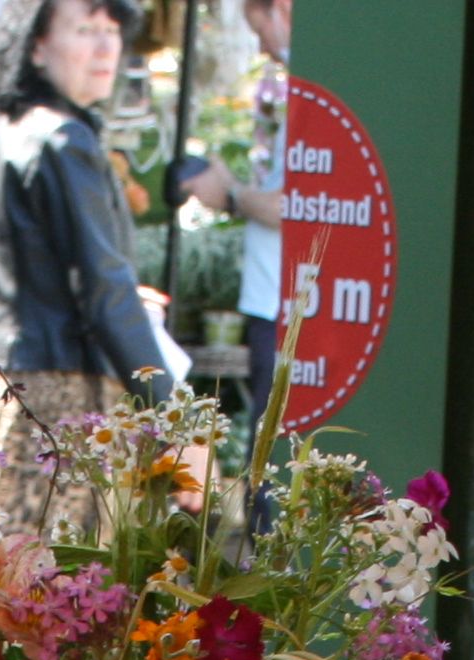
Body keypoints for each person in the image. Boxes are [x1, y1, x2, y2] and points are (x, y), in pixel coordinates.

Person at [0, 0, 173, 537]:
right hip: (54, 403)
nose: (104, 47)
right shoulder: (63, 139)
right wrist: (170, 413)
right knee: (55, 598)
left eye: (112, 30)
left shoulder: (5, 129)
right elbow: (104, 290)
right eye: (85, 30)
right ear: (36, 46)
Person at [181, 0, 288, 419]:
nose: (262, 48)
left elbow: (290, 208)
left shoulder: (314, 99)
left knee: (270, 457)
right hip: (271, 302)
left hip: (283, 306)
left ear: (280, 10)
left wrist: (229, 195)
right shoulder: (294, 94)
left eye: (258, 30)